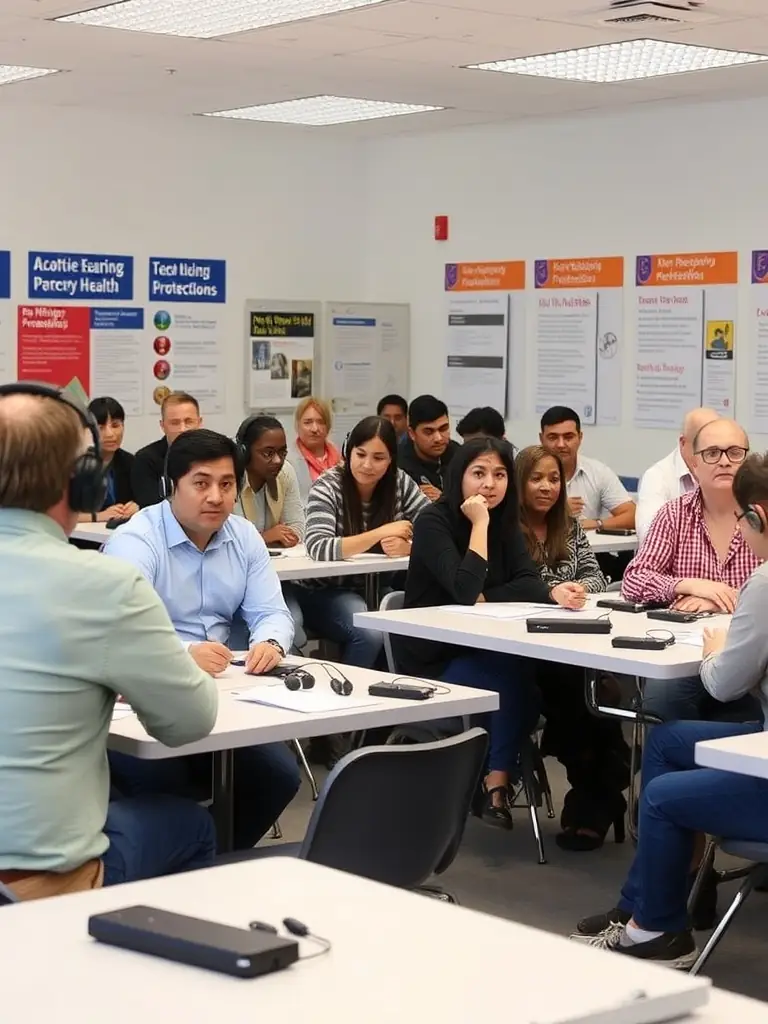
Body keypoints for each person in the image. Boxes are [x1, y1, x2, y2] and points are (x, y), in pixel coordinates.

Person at [0, 382, 218, 900]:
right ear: (83, 484)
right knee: (192, 826)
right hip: (32, 888)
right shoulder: (105, 587)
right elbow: (190, 722)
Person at [571, 452, 768, 968]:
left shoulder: (766, 582)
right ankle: (642, 907)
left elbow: (725, 685)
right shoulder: (678, 515)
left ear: (757, 518)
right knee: (669, 740)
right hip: (762, 736)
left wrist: (713, 653)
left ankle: (658, 932)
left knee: (660, 796)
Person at [104, 429, 300, 850]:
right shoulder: (136, 541)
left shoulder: (243, 536)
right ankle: (181, 859)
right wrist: (182, 655)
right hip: (144, 697)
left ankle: (212, 857)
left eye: (226, 484)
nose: (216, 496)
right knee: (165, 785)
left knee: (279, 777)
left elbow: (272, 612)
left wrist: (271, 643)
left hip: (225, 694)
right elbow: (118, 633)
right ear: (170, 486)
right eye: (201, 483)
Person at [394, 438, 586, 828]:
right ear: (458, 476)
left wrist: (549, 591)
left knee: (526, 680)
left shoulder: (505, 523)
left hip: (485, 649)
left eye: (499, 474)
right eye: (478, 473)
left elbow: (527, 580)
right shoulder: (435, 522)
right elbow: (465, 590)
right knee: (518, 682)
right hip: (433, 657)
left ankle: (492, 781)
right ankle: (496, 780)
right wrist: (479, 524)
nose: (490, 484)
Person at [516, 445, 630, 850]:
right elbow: (510, 584)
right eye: (536, 479)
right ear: (520, 483)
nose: (546, 487)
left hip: (575, 637)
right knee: (579, 693)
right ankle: (605, 787)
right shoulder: (506, 528)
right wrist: (551, 592)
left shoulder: (570, 524)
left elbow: (598, 577)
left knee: (584, 689)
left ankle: (595, 795)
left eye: (553, 479)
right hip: (524, 645)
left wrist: (580, 588)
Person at [622, 418, 761, 722]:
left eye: (734, 452)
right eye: (712, 453)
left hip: (751, 658)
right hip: (685, 653)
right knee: (663, 697)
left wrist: (720, 600)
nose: (724, 461)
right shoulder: (674, 514)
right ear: (694, 463)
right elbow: (633, 581)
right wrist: (687, 584)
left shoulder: (762, 517)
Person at [300, 415, 429, 668]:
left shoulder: (399, 483)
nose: (367, 465)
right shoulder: (328, 485)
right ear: (349, 452)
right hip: (324, 591)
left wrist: (410, 547)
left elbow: (437, 528)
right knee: (369, 633)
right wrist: (382, 532)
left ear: (391, 460)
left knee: (414, 624)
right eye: (360, 455)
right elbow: (318, 546)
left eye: (379, 458)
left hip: (378, 588)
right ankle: (350, 695)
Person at [233, 414, 306, 647]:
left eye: (282, 452)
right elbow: (231, 539)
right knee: (291, 624)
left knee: (293, 623)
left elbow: (298, 529)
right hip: (237, 581)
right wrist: (266, 536)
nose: (277, 460)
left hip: (278, 577)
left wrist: (268, 537)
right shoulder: (229, 478)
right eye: (267, 453)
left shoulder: (285, 473)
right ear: (244, 452)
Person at [539, 406, 635, 531]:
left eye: (568, 437)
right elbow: (516, 519)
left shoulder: (598, 472)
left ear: (580, 437)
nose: (561, 444)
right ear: (541, 439)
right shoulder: (524, 472)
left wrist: (597, 524)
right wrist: (556, 511)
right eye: (553, 437)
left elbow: (632, 515)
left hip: (590, 549)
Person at [636, 408, 718, 544]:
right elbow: (650, 535)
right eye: (703, 445)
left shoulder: (724, 473)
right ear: (683, 442)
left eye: (715, 448)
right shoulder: (657, 477)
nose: (712, 455)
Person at [131, 392, 202, 508]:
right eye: (175, 423)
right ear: (162, 426)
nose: (182, 429)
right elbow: (151, 505)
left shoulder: (213, 457)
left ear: (199, 423)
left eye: (189, 421)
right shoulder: (145, 459)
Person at [82, 396, 139, 523]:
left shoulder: (131, 462)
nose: (110, 434)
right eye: (101, 427)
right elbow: (55, 514)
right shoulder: (75, 464)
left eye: (115, 425)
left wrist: (137, 507)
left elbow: (146, 500)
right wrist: (98, 516)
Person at [398, 394, 459, 502]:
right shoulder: (399, 465)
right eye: (428, 432)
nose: (438, 438)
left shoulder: (459, 455)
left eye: (443, 428)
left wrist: (444, 500)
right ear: (412, 433)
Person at [288, 396, 341, 503]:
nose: (315, 429)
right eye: (308, 422)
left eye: (321, 422)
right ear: (297, 425)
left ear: (328, 426)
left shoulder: (340, 459)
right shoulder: (288, 461)